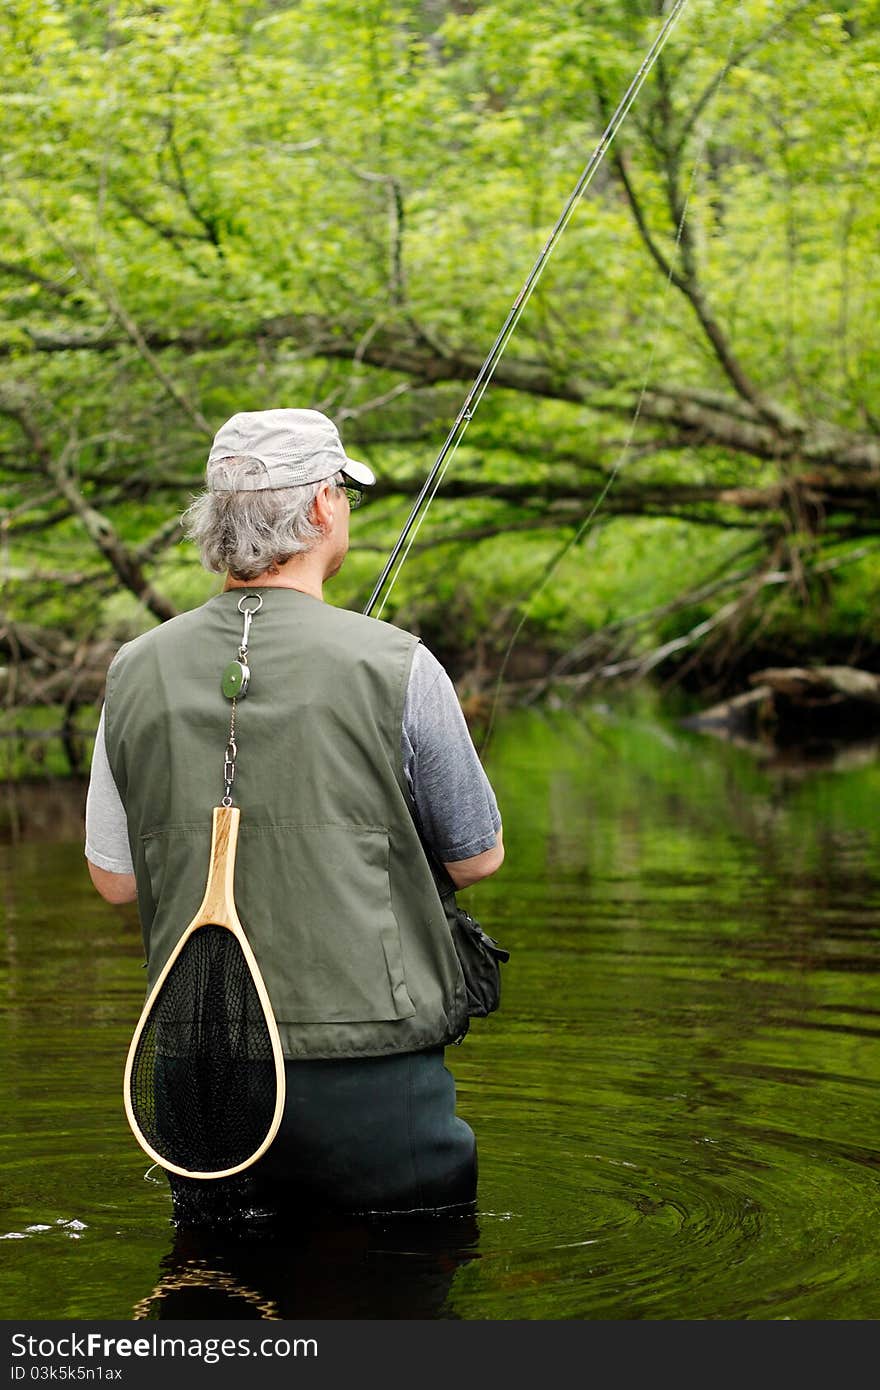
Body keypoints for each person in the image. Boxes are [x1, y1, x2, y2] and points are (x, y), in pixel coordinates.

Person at [84, 407, 504, 1225]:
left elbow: (112, 881)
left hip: (200, 1082)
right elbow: (475, 859)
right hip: (372, 1083)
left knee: (217, 1310)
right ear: (319, 508)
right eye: (344, 493)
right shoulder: (402, 665)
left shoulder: (131, 671)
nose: (345, 509)